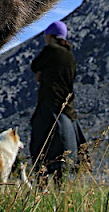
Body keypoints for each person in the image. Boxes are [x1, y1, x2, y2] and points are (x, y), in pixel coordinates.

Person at [29, 20, 86, 184]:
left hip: (49, 105)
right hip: (67, 108)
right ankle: (62, 185)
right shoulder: (69, 55)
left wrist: (42, 75)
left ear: (50, 35)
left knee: (41, 145)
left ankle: (42, 183)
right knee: (65, 148)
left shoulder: (51, 51)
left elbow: (35, 65)